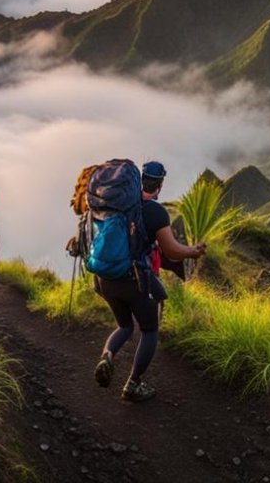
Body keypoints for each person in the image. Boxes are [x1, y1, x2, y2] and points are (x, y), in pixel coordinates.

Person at [93, 161, 206, 403]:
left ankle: (107, 356)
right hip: (133, 280)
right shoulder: (154, 212)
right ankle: (133, 385)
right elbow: (172, 251)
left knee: (124, 326)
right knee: (150, 330)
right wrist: (193, 252)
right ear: (160, 184)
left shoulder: (114, 205)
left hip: (105, 278)